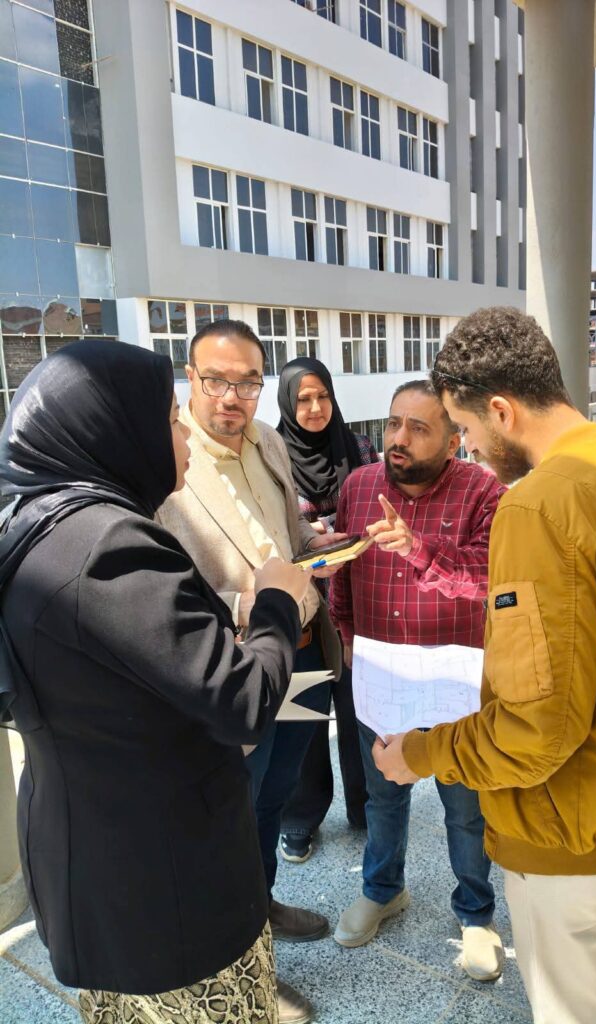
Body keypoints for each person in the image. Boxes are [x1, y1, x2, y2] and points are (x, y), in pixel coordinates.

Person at [373, 307, 596, 1024]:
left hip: (573, 831)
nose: (469, 449)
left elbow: (535, 731)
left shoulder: (537, 505)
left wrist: (420, 753)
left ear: (502, 410)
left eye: (465, 429)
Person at [0, 339, 312, 1024]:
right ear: (113, 430)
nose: (186, 436)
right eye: (171, 419)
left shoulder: (36, 524)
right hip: (163, 890)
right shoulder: (107, 545)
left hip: (101, 868)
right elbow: (243, 702)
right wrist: (277, 601)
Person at [156, 321, 343, 1024]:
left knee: (276, 795)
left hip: (302, 650)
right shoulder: (168, 461)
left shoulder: (269, 440)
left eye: (247, 382)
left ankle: (260, 907)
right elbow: (165, 589)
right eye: (216, 380)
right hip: (236, 664)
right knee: (235, 808)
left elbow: (286, 537)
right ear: (190, 378)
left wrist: (318, 544)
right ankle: (247, 965)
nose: (232, 397)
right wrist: (253, 603)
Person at [329, 380, 508, 982]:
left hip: (455, 678)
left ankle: (476, 913)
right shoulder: (359, 486)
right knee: (383, 795)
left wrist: (418, 549)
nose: (398, 438)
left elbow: (490, 574)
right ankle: (383, 890)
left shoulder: (483, 491)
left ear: (454, 441)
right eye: (393, 423)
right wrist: (346, 633)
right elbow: (344, 573)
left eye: (419, 428)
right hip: (380, 671)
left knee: (465, 804)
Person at [276, 357, 377, 863]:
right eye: (303, 399)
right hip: (303, 607)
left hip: (357, 600)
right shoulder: (270, 455)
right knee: (304, 714)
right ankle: (300, 816)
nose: (315, 408)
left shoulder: (359, 449)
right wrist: (307, 539)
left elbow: (379, 507)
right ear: (286, 403)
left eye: (323, 396)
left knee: (360, 710)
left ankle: (366, 807)